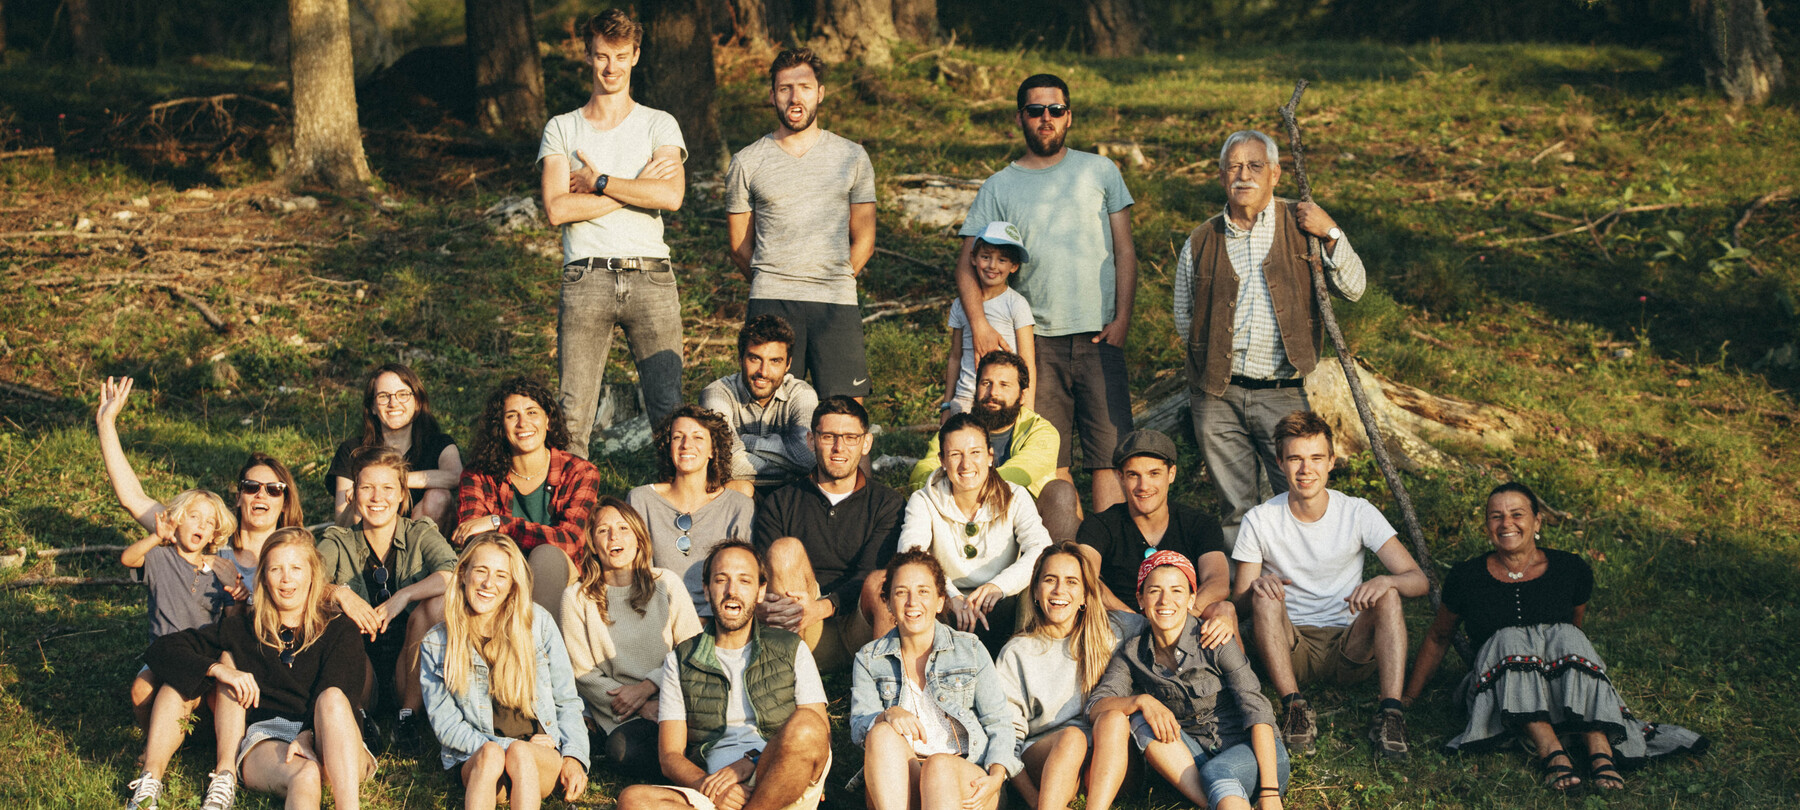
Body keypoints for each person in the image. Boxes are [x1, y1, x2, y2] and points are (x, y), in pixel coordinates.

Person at [1403, 482, 1707, 792]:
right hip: (1500, 694)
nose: (1506, 523)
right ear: (1487, 526)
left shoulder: (1570, 569)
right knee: (1508, 638)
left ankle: (1600, 751)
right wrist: (1408, 699)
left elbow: (1575, 636)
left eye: (1517, 514)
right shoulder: (1467, 577)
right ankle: (1552, 752)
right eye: (1496, 516)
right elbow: (1439, 637)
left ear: (1537, 521)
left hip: (1561, 690)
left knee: (1566, 634)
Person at [1172, 130, 1366, 552]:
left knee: (1300, 498)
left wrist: (1330, 231)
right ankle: (1247, 601)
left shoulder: (1302, 226)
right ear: (1222, 176)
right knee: (1236, 510)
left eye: (1255, 166)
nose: (1244, 176)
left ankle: (1309, 591)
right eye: (1234, 167)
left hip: (1282, 392)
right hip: (1216, 396)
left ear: (1275, 173)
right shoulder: (1201, 239)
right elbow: (1184, 317)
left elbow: (1354, 288)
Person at [956, 73, 1138, 518]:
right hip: (1034, 342)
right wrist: (980, 324)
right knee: (1049, 460)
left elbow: (1125, 249)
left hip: (1100, 336)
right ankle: (1066, 558)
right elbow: (965, 264)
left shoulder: (1100, 170)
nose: (1045, 118)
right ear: (1021, 117)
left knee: (1109, 455)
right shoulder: (999, 185)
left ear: (1069, 116)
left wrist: (1122, 319)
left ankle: (1108, 555)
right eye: (1035, 110)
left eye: (1055, 110)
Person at [1230, 411, 1428, 759]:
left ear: (1331, 461)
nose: (1306, 469)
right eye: (1295, 459)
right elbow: (1240, 603)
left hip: (1350, 645)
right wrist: (1261, 586)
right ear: (1279, 462)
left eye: (1316, 458)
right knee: (1262, 595)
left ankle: (1391, 713)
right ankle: (1293, 707)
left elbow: (1419, 581)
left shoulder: (1357, 511)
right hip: (1291, 648)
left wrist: (1384, 579)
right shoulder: (1260, 519)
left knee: (1391, 594)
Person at [131, 528, 374, 810]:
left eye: (296, 568)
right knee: (305, 774)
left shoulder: (339, 629)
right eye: (276, 569)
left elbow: (342, 691)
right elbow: (163, 649)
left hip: (331, 735)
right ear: (264, 579)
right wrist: (216, 670)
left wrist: (308, 734)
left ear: (312, 575)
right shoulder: (244, 629)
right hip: (269, 738)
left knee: (332, 698)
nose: (286, 579)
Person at [99, 375, 304, 705]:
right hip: (208, 658)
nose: (261, 494)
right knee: (148, 691)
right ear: (238, 497)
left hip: (267, 662)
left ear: (285, 500)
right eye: (252, 487)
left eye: (274, 489)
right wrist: (107, 423)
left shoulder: (296, 556)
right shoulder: (206, 544)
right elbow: (133, 499)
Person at [539, 8, 688, 457]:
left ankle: (676, 512)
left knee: (669, 408)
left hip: (652, 276)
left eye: (621, 55)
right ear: (587, 55)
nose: (611, 67)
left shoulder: (659, 123)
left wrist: (600, 181)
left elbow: (672, 197)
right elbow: (557, 208)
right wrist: (637, 185)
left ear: (636, 55)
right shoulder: (562, 128)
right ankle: (570, 518)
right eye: (602, 55)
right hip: (586, 276)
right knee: (573, 411)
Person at [615, 539, 833, 810]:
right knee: (634, 800)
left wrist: (750, 762)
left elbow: (818, 733)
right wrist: (709, 787)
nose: (732, 591)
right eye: (721, 580)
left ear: (760, 591)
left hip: (782, 781)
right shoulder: (680, 660)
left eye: (744, 581)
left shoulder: (791, 648)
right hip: (716, 792)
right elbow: (670, 756)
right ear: (707, 590)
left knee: (807, 725)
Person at [727, 47, 877, 402]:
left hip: (835, 303)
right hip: (772, 302)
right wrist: (774, 280)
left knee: (845, 414)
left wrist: (832, 279)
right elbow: (738, 245)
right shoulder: (747, 161)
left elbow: (865, 239)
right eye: (785, 88)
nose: (795, 98)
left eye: (805, 87)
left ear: (820, 93)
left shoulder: (852, 157)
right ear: (772, 96)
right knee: (768, 412)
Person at [1088, 552, 1288, 810]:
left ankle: (1224, 796)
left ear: (1191, 598)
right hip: (1194, 759)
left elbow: (1258, 712)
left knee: (1218, 770)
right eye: (1154, 591)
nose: (1165, 601)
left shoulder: (1215, 638)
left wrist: (1270, 792)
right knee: (1139, 718)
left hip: (1254, 755)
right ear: (1140, 599)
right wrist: (1141, 700)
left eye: (1176, 591)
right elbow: (1096, 706)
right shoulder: (1132, 653)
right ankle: (1216, 801)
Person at [420, 534, 591, 810]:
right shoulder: (436, 643)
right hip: (476, 756)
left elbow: (567, 701)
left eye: (501, 575)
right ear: (463, 574)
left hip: (538, 754)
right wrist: (504, 745)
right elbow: (448, 727)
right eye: (481, 571)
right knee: (493, 754)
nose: (489, 584)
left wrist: (574, 756)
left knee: (521, 753)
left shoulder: (538, 624)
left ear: (513, 584)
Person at [850, 550, 1023, 810]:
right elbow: (858, 726)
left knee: (938, 765)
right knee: (881, 733)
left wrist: (997, 776)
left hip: (964, 776)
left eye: (923, 591)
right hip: (901, 781)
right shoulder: (869, 659)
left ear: (941, 601)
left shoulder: (970, 650)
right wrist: (886, 714)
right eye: (901, 592)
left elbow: (999, 723)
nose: (912, 602)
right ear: (887, 603)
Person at [751, 395, 903, 673]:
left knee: (882, 580)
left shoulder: (887, 503)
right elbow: (761, 576)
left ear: (866, 443)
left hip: (863, 626)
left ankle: (889, 691)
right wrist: (763, 608)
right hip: (802, 629)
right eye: (828, 436)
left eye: (850, 437)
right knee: (785, 550)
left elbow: (871, 575)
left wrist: (823, 607)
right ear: (811, 440)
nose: (838, 447)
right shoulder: (781, 502)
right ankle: (789, 681)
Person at [318, 448, 457, 749]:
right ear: (353, 495)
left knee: (434, 603)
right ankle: (360, 715)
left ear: (401, 495)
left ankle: (408, 716)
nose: (377, 497)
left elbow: (454, 572)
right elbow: (309, 580)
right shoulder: (338, 540)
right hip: (361, 661)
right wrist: (342, 594)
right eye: (367, 488)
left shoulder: (419, 533)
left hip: (407, 664)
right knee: (333, 614)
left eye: (387, 488)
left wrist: (404, 595)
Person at [560, 497, 703, 778]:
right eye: (603, 530)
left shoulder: (666, 583)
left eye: (624, 528)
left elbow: (692, 650)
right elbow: (583, 674)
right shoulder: (576, 598)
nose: (614, 536)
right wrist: (639, 706)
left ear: (638, 537)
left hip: (674, 697)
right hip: (620, 712)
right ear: (592, 543)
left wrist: (649, 686)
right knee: (624, 751)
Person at [995, 542, 1143, 810]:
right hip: (1046, 755)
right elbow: (1007, 739)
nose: (1059, 590)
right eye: (1050, 580)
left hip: (1107, 757)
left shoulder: (1115, 631)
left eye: (1072, 582)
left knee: (1114, 719)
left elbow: (1168, 623)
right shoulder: (1017, 652)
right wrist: (1032, 799)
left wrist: (1222, 614)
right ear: (1036, 591)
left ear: (1086, 594)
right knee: (1072, 737)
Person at [898, 413, 1053, 652]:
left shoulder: (1015, 495)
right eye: (955, 454)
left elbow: (1041, 548)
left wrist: (999, 586)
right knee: (913, 585)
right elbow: (912, 553)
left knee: (1036, 585)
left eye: (975, 453)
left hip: (1001, 600)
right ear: (942, 460)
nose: (966, 464)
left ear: (991, 456)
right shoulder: (923, 500)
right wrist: (948, 595)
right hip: (947, 604)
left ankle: (1024, 660)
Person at [454, 377, 602, 620]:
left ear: (548, 421)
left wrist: (499, 523)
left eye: (532, 412)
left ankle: (539, 650)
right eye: (512, 415)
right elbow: (472, 538)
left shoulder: (579, 471)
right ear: (500, 426)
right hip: (500, 572)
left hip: (559, 575)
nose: (523, 423)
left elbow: (570, 540)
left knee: (547, 555)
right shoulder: (479, 473)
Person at [1075, 430, 1231, 639]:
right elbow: (1085, 578)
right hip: (1121, 628)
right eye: (1133, 475)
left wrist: (1182, 618)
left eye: (1154, 473)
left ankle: (1236, 672)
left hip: (1183, 622)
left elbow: (1218, 581)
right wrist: (1135, 621)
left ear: (1171, 474)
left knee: (1224, 610)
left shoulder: (1199, 523)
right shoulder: (1099, 525)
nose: (1143, 486)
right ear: (1120, 477)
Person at [910, 350, 1078, 541]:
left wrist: (963, 484)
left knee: (1061, 492)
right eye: (986, 383)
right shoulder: (958, 428)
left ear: (1022, 396)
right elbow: (923, 469)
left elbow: (1020, 472)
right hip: (961, 519)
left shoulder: (1041, 431)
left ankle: (1058, 565)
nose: (993, 393)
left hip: (1020, 521)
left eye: (1004, 385)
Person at [119, 489, 242, 728]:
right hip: (163, 652)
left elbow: (231, 620)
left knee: (205, 698)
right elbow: (128, 559)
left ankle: (197, 737)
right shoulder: (160, 558)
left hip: (201, 653)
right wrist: (156, 536)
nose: (202, 525)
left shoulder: (219, 570)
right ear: (178, 519)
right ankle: (150, 738)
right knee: (140, 692)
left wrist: (237, 597)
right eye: (194, 516)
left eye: (210, 523)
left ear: (213, 536)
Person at [629, 405, 756, 616]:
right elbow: (638, 575)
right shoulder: (641, 499)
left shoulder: (738, 505)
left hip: (720, 620)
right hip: (658, 618)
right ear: (668, 446)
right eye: (678, 437)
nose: (686, 445)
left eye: (698, 438)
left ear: (712, 450)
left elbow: (743, 577)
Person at [326, 363, 462, 529]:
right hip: (367, 543)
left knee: (438, 496)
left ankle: (417, 552)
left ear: (417, 402)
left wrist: (391, 480)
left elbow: (456, 476)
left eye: (403, 394)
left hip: (421, 544)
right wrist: (362, 495)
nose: (393, 403)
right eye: (383, 396)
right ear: (373, 407)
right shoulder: (352, 450)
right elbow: (342, 523)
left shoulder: (439, 444)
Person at [697, 314, 818, 498]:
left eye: (775, 361)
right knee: (739, 487)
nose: (763, 372)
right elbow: (726, 463)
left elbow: (807, 456)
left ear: (788, 364)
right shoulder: (717, 393)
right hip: (736, 496)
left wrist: (747, 441)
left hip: (790, 497)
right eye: (755, 359)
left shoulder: (802, 394)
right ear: (740, 358)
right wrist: (791, 469)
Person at [939, 223, 1036, 418]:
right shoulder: (961, 305)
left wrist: (1028, 409)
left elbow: (1028, 362)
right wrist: (947, 404)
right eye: (986, 257)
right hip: (966, 398)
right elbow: (955, 357)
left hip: (1004, 400)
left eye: (1002, 260)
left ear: (1014, 266)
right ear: (973, 258)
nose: (992, 266)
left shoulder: (1016, 304)